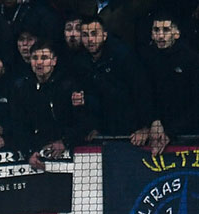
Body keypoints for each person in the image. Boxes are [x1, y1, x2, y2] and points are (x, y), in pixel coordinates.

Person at [10, 40, 93, 171]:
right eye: (35, 58)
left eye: (44, 58)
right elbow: (18, 124)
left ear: (54, 61)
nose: (39, 63)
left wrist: (65, 142)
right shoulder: (21, 88)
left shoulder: (69, 86)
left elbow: (83, 121)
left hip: (69, 155)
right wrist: (28, 152)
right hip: (37, 155)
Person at [73, 16, 152, 146]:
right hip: (106, 131)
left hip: (133, 132)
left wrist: (146, 127)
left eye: (94, 34)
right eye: (85, 35)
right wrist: (93, 127)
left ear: (104, 35)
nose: (90, 39)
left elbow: (142, 91)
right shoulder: (81, 62)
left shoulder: (123, 56)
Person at [140, 12, 199, 156]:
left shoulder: (191, 60)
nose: (160, 36)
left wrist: (171, 132)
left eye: (166, 30)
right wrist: (152, 121)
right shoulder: (145, 59)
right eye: (156, 30)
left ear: (176, 33)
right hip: (155, 133)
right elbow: (142, 94)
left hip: (187, 136)